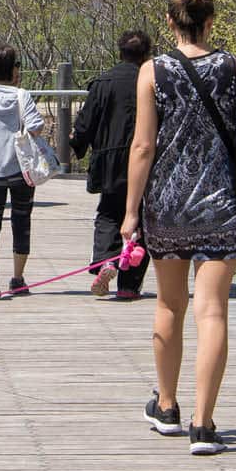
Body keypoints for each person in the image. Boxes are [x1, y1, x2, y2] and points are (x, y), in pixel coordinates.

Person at [121, 0, 236, 456]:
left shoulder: (152, 72)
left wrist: (129, 212)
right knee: (213, 311)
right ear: (211, 19)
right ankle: (204, 425)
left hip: (168, 204)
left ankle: (166, 406)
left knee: (169, 306)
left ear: (169, 21)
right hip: (222, 205)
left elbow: (143, 146)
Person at [71, 30, 153, 299]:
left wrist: (78, 146)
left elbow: (85, 123)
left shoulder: (103, 82)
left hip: (109, 159)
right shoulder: (152, 82)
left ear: (120, 52)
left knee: (108, 211)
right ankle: (129, 285)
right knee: (139, 217)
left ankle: (106, 260)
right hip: (145, 160)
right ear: (146, 55)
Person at [0, 46, 46, 298]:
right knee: (21, 222)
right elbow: (36, 125)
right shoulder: (21, 95)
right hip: (20, 170)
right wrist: (23, 133)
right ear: (10, 69)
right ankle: (17, 278)